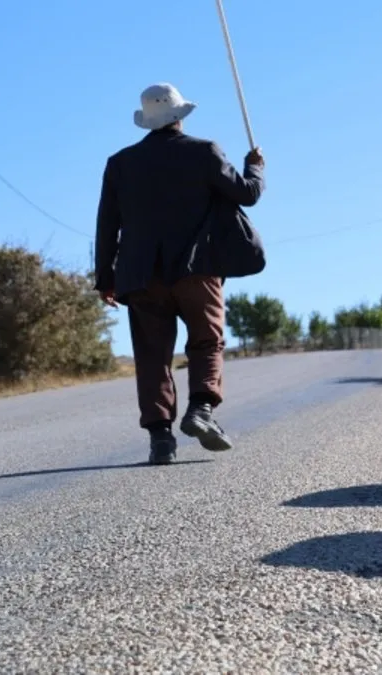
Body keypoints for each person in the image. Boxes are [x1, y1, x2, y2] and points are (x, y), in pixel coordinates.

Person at [94, 82, 265, 465]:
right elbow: (246, 194)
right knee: (207, 342)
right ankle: (201, 410)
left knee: (152, 356)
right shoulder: (204, 152)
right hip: (197, 270)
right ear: (181, 116)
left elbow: (107, 224)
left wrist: (105, 277)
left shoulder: (120, 164)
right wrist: (254, 168)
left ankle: (160, 439)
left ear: (147, 121)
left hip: (139, 277)